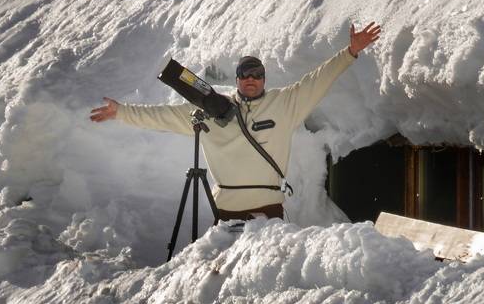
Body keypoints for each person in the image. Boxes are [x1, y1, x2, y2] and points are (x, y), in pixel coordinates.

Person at [89, 22, 382, 222]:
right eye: (245, 74)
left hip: (268, 212)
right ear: (237, 79)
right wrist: (122, 112)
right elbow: (163, 116)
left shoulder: (284, 103)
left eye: (257, 74)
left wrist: (350, 52)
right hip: (226, 214)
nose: (251, 79)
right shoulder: (211, 108)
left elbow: (318, 80)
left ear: (264, 79)